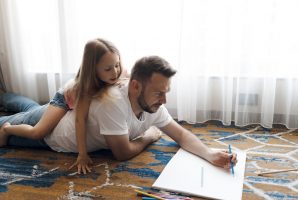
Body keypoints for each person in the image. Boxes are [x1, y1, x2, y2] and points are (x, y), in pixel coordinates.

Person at [0, 55, 237, 170]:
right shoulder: (114, 103)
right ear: (135, 86)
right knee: (10, 124)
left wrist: (208, 153)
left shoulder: (152, 103)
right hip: (51, 136)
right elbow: (122, 153)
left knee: (30, 108)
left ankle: (7, 95)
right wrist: (149, 136)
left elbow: (181, 135)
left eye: (166, 92)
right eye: (159, 93)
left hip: (57, 113)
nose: (164, 101)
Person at [0, 38, 124, 174]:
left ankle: (13, 99)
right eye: (108, 69)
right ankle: (7, 129)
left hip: (69, 98)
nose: (115, 72)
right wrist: (82, 154)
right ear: (93, 69)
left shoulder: (114, 73)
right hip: (63, 101)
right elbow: (80, 120)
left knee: (33, 110)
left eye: (117, 65)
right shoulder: (86, 88)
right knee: (38, 132)